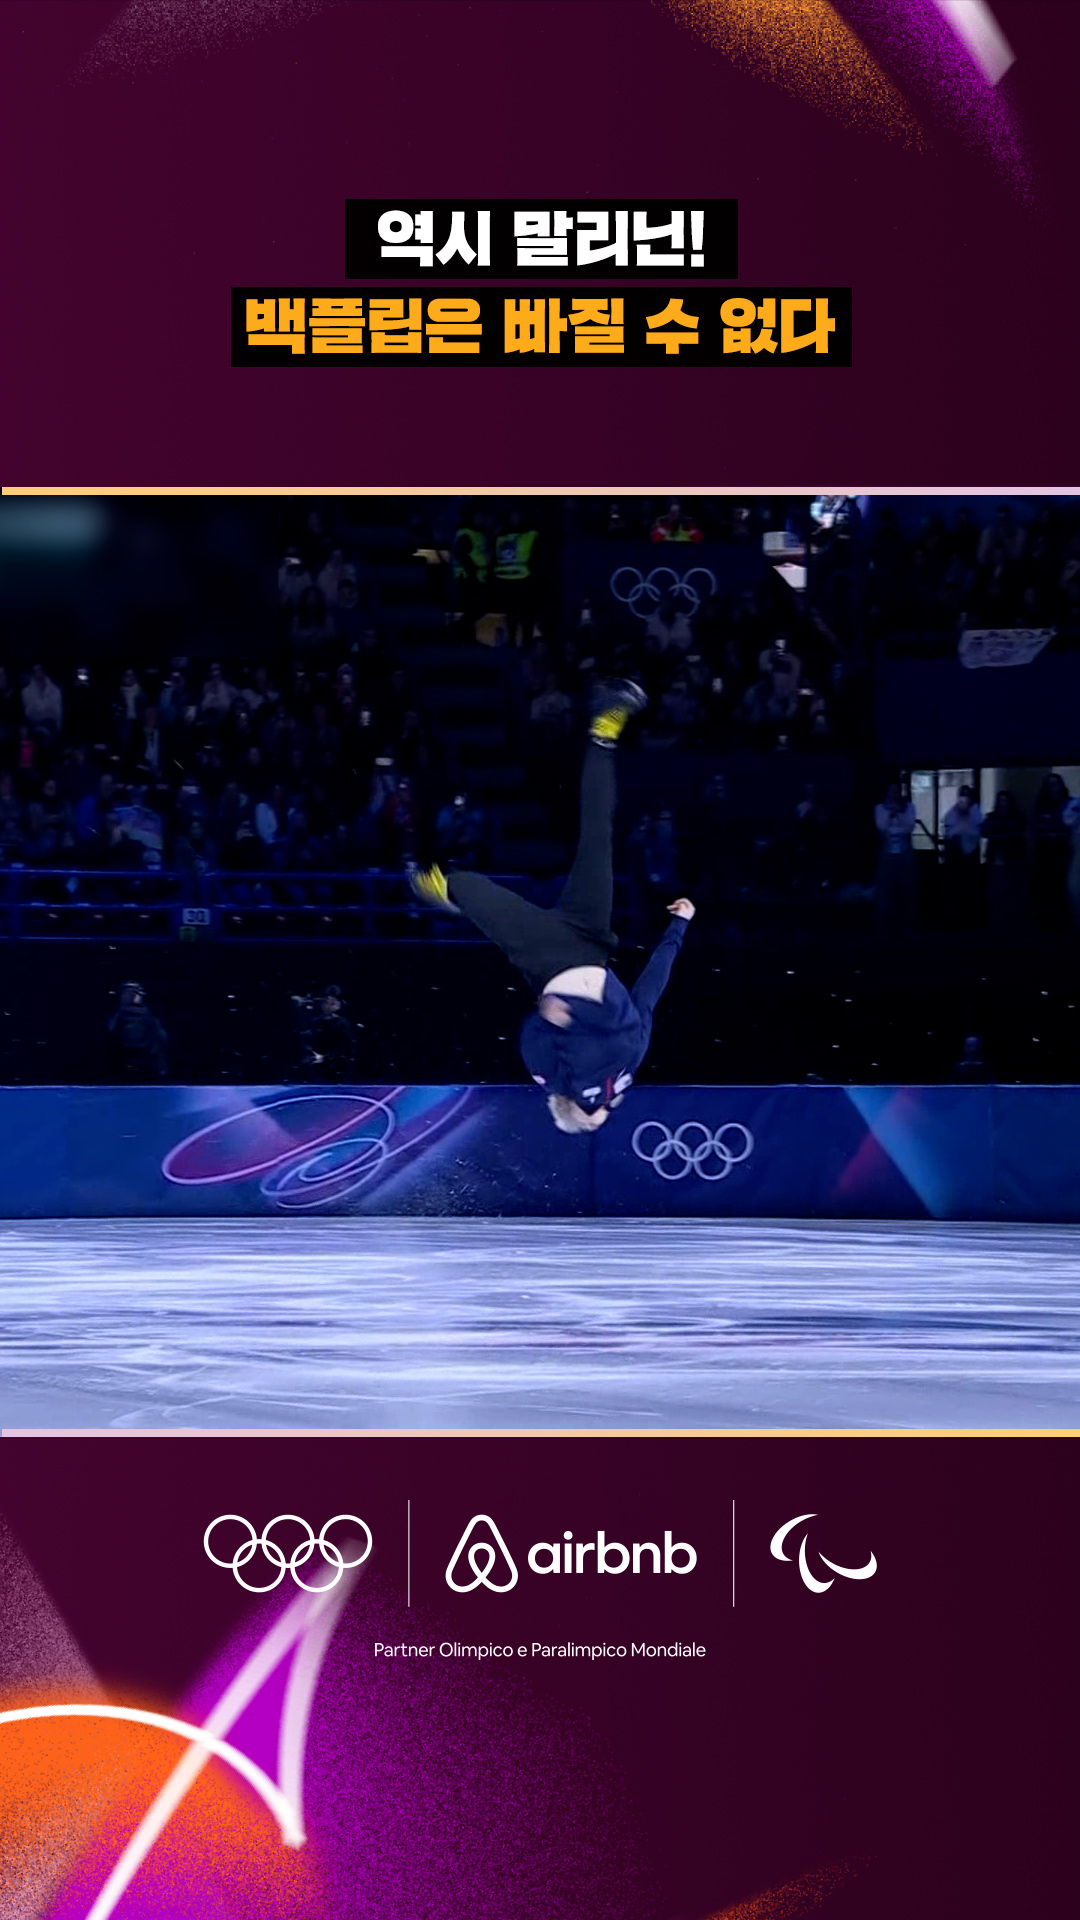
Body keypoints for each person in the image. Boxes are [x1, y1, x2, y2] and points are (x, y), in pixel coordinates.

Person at [409, 681, 695, 1132]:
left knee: (464, 885)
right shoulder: (630, 1063)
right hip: (592, 940)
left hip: (546, 959)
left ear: (576, 1113)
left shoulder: (558, 1078)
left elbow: (531, 1038)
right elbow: (649, 992)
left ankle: (450, 896)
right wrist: (678, 927)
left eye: (593, 1119)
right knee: (598, 837)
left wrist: (548, 1017)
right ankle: (604, 729)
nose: (604, 1115)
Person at [107, 981, 168, 1081]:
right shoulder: (116, 1015)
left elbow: (160, 1037)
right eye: (126, 993)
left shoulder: (149, 1015)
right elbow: (110, 1030)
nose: (130, 996)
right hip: (123, 1057)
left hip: (145, 1057)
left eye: (134, 993)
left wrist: (160, 1063)